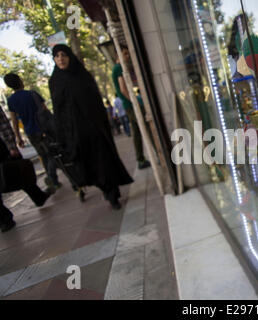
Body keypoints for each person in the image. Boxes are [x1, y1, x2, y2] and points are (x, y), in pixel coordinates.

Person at [49, 44, 133, 210]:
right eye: (57, 56)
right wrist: (62, 135)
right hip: (75, 134)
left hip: (94, 129)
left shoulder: (82, 75)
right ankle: (104, 188)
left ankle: (112, 193)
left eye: (63, 55)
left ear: (69, 56)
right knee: (87, 166)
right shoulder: (55, 81)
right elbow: (58, 109)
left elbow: (95, 101)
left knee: (104, 161)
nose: (60, 58)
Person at [3, 73, 61, 192]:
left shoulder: (11, 101)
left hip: (30, 132)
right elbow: (45, 109)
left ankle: (54, 181)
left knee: (43, 156)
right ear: (20, 81)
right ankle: (51, 176)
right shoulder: (32, 94)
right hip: (44, 129)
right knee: (52, 153)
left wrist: (18, 137)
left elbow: (14, 120)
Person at [0, 106, 50, 232]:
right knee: (17, 172)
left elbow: (3, 125)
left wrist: (11, 145)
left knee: (17, 171)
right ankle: (38, 197)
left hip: (1, 149)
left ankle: (38, 197)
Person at [112, 46, 150, 170]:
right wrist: (134, 101)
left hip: (128, 105)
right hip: (130, 105)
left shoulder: (117, 68)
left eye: (128, 53)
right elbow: (123, 89)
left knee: (137, 133)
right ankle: (148, 157)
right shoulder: (118, 68)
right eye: (125, 54)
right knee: (146, 128)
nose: (127, 56)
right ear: (118, 55)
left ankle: (140, 159)